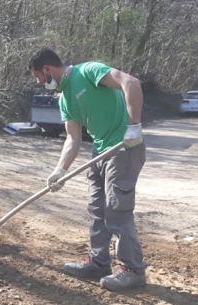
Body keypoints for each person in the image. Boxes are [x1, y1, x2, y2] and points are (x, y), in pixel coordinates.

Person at [28, 48, 146, 291]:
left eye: (37, 76)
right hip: (100, 153)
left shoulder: (88, 71)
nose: (38, 82)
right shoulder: (64, 98)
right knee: (96, 209)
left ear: (47, 70)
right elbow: (73, 138)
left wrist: (134, 125)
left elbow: (130, 83)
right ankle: (98, 261)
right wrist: (60, 170)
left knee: (116, 210)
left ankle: (133, 270)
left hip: (124, 147)